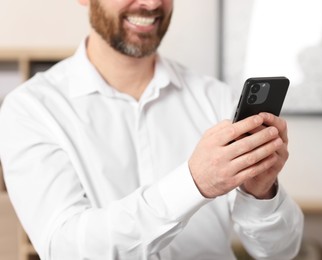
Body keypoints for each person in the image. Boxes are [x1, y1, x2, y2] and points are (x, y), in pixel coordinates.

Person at [0, 0, 304, 259]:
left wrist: (260, 193)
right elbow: (65, 248)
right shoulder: (31, 110)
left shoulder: (215, 98)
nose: (153, 3)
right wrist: (194, 183)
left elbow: (281, 251)